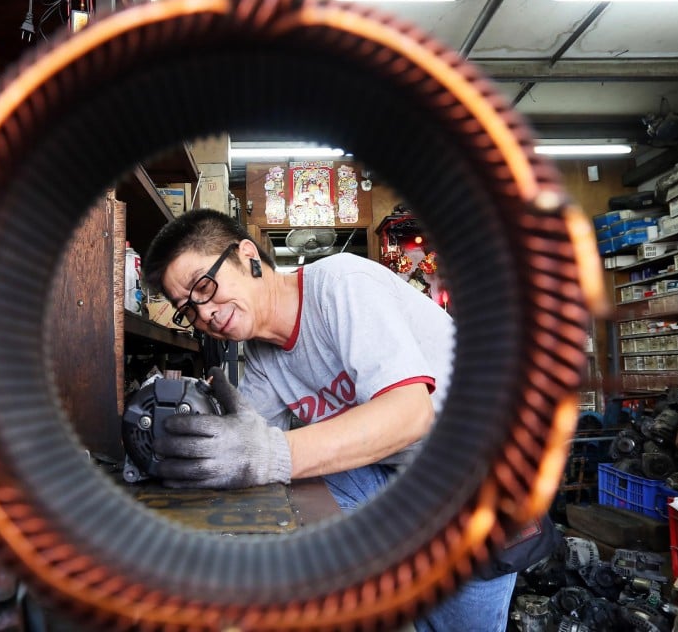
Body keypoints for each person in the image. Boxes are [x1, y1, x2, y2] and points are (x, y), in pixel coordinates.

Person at [142, 208, 516, 632]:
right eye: (187, 309)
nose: (204, 313)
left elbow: (411, 412)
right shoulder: (265, 360)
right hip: (402, 479)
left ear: (247, 255)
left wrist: (270, 453)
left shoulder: (341, 284)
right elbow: (244, 454)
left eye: (204, 287)